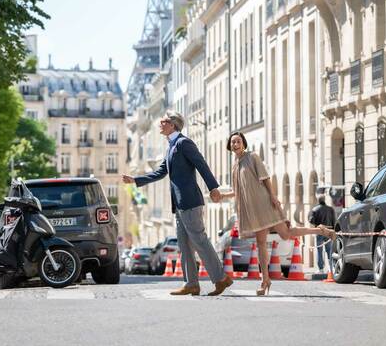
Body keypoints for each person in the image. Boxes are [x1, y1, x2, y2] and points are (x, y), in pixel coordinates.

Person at [122, 112, 232, 297]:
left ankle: (221, 278)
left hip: (189, 201)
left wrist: (214, 188)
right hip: (179, 204)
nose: (160, 124)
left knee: (200, 241)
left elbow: (201, 163)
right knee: (184, 245)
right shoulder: (171, 146)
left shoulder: (183, 143)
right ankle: (191, 284)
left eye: (163, 121)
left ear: (173, 125)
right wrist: (135, 180)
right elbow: (160, 172)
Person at [219, 131, 336, 296]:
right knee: (260, 244)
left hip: (265, 204)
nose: (235, 144)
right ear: (229, 146)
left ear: (243, 143)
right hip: (253, 211)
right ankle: (265, 280)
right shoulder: (234, 166)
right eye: (232, 142)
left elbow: (265, 178)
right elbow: (237, 191)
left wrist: (273, 197)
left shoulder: (252, 157)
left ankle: (321, 230)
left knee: (286, 234)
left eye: (238, 141)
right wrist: (222, 196)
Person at [308, 195, 335, 273]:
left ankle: (321, 269)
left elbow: (311, 220)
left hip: (319, 230)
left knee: (319, 250)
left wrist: (317, 223)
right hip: (329, 230)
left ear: (318, 200)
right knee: (329, 250)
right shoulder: (330, 209)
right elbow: (334, 220)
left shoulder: (315, 209)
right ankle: (331, 268)